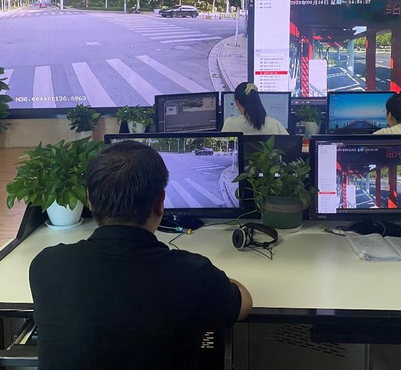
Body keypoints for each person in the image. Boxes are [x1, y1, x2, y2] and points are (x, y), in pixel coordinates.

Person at [29, 141, 253, 370]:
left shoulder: (47, 265)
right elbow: (243, 305)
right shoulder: (194, 273)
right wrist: (217, 279)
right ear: (160, 203)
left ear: (90, 201)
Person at [221, 82, 288, 135]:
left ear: (237, 103)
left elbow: (222, 146)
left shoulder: (230, 124)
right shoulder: (275, 125)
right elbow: (290, 145)